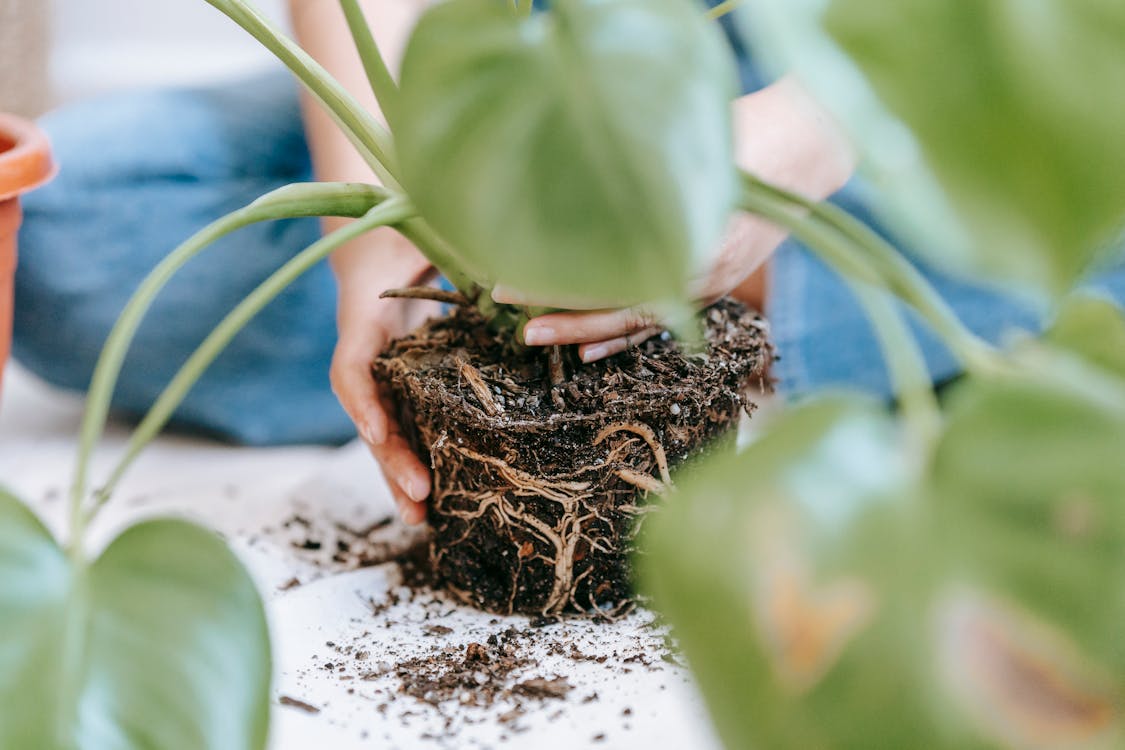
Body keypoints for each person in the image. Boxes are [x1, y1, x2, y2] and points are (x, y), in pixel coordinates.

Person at [14, 0, 1123, 525]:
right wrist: (383, 240)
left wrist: (787, 150)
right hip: (533, 60)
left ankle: (689, 275)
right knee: (63, 229)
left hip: (868, 58)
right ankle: (590, 262)